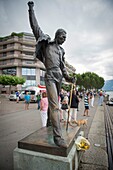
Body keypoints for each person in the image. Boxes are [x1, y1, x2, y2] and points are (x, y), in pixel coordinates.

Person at [27, 1, 75, 147]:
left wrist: (68, 77)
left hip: (59, 76)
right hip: (49, 76)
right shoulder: (47, 43)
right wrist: (31, 9)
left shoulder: (61, 51)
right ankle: (57, 136)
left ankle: (49, 122)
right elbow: (35, 26)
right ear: (57, 35)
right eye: (63, 37)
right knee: (55, 105)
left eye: (66, 38)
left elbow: (63, 66)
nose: (64, 40)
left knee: (55, 104)